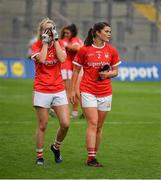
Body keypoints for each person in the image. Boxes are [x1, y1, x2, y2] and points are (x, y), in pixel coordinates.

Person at [70, 22, 121, 167]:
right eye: (106, 31)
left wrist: (108, 74)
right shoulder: (84, 50)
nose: (109, 34)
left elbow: (116, 71)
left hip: (105, 92)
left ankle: (94, 155)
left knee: (98, 126)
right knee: (92, 123)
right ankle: (91, 158)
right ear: (98, 33)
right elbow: (75, 71)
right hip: (88, 90)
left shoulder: (112, 51)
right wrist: (73, 89)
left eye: (110, 31)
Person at [31, 17, 70, 165]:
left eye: (52, 28)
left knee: (65, 124)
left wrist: (56, 41)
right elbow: (41, 59)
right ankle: (39, 156)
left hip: (58, 88)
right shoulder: (36, 45)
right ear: (41, 32)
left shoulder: (59, 44)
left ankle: (56, 147)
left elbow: (61, 59)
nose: (49, 31)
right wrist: (45, 43)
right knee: (43, 124)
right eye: (46, 29)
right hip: (42, 89)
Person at [60, 24, 83, 118]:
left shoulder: (74, 40)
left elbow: (78, 48)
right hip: (74, 68)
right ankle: (79, 111)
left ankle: (79, 111)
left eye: (67, 33)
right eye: (64, 32)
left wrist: (66, 45)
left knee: (73, 91)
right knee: (74, 91)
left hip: (76, 68)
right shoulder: (68, 41)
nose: (65, 34)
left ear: (72, 33)